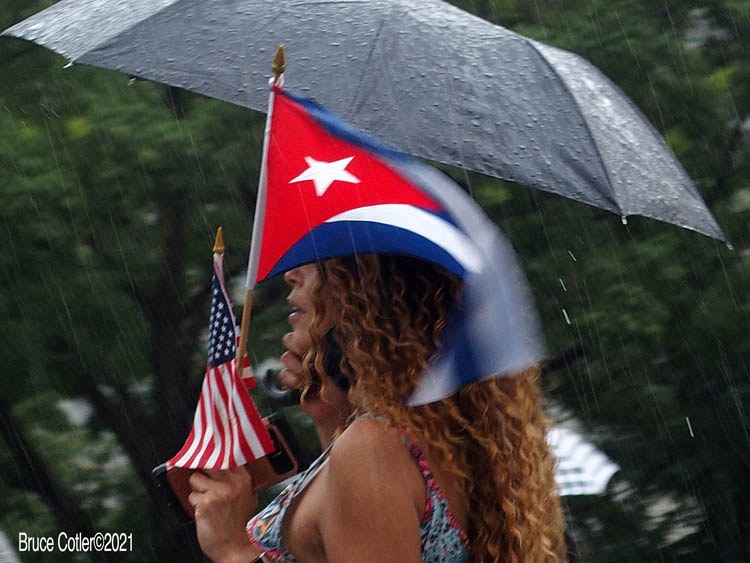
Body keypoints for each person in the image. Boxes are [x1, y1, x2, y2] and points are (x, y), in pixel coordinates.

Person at [188, 254, 565, 563]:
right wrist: (331, 407)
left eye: (319, 259)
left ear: (369, 288)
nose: (291, 274)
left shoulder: (372, 449)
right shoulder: (423, 439)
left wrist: (234, 551)